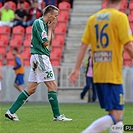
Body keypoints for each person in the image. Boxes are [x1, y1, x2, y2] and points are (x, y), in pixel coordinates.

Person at [69, 0, 133, 133]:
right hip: (112, 74)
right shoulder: (120, 17)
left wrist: (76, 69)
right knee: (116, 116)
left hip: (98, 74)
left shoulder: (93, 19)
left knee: (116, 116)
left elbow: (83, 45)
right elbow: (128, 45)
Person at [5, 5, 72, 122]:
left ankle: (11, 112)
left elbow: (48, 43)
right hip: (40, 57)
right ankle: (57, 116)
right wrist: (51, 30)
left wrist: (50, 29)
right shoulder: (39, 22)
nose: (56, 18)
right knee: (52, 86)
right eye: (55, 15)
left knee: (31, 89)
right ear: (50, 14)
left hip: (37, 57)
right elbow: (46, 43)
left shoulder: (43, 25)